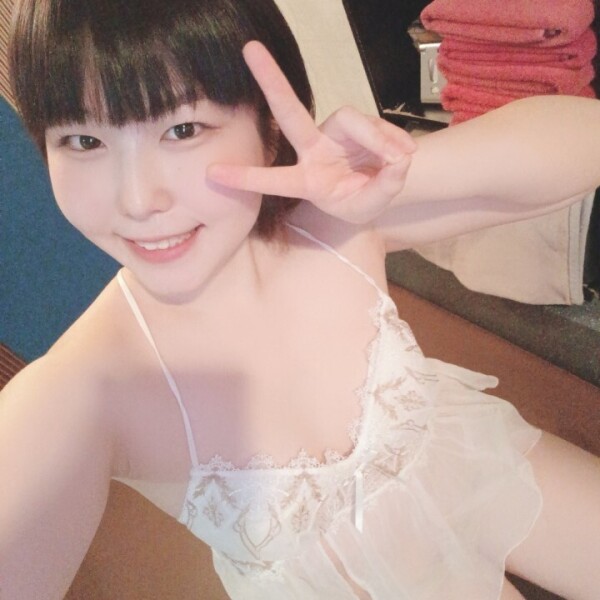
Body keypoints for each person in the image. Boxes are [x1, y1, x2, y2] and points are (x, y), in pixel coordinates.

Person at [2, 0, 600, 598]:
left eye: (182, 130)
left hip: (462, 461)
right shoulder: (89, 387)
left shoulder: (328, 225)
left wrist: (397, 175)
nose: (136, 200)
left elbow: (584, 139)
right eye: (83, 140)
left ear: (268, 128)